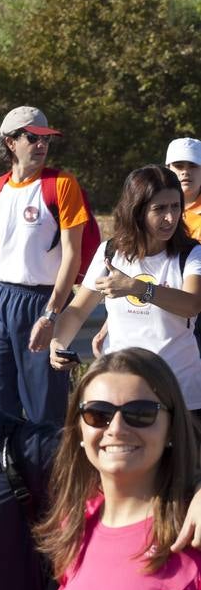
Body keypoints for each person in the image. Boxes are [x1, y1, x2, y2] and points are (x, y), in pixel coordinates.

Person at [17, 348, 201, 590]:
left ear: (171, 429)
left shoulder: (193, 532)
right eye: (98, 414)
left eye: (140, 413)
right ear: (80, 431)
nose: (117, 427)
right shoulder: (78, 523)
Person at [0, 106, 89, 427]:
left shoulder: (61, 185)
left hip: (42, 301)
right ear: (10, 142)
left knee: (44, 413)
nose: (42, 145)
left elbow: (72, 256)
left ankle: (47, 476)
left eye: (46, 139)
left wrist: (51, 314)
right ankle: (1, 475)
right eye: (32, 138)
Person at [50, 165, 201, 412]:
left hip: (181, 394)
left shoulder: (191, 254)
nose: (171, 217)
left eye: (175, 207)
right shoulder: (110, 252)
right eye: (160, 209)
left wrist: (136, 288)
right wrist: (58, 342)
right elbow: (77, 310)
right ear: (137, 211)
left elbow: (192, 304)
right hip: (120, 392)